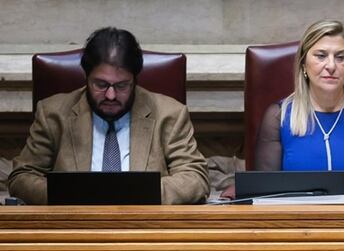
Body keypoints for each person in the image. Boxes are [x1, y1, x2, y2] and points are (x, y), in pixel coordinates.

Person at [8, 27, 209, 205]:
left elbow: (195, 177)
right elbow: (22, 176)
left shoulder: (170, 114)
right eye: (101, 85)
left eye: (121, 86)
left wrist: (136, 195)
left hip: (145, 228)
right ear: (86, 78)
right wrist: (70, 196)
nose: (111, 95)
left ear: (135, 80)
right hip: (73, 228)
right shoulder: (53, 113)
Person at [254, 19, 344, 203]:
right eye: (321, 55)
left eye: (340, 57)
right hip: (297, 224)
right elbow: (264, 194)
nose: (331, 66)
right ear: (303, 64)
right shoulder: (278, 117)